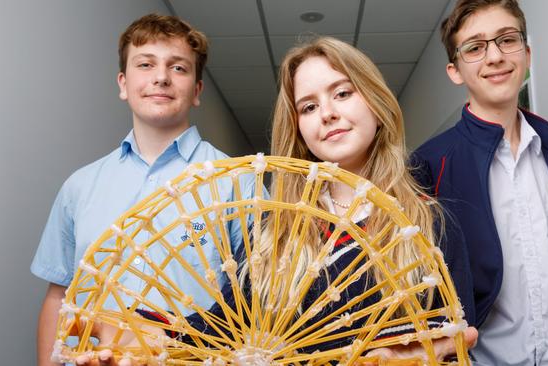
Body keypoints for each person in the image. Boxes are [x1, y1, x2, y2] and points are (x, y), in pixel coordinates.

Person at [77, 36, 478, 366]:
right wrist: (155, 336)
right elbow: (221, 329)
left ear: (375, 102)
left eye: (342, 93)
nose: (327, 114)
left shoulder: (431, 225)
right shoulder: (274, 230)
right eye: (308, 106)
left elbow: (455, 346)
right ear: (299, 128)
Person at [410, 1, 548, 365]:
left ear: (527, 54)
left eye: (507, 39)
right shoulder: (428, 165)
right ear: (455, 71)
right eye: (475, 47)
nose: (495, 56)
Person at [31, 13, 257, 366]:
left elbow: (256, 299)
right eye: (146, 64)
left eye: (178, 68)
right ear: (123, 84)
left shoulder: (238, 182)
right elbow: (59, 295)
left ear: (197, 91)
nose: (161, 77)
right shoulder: (79, 187)